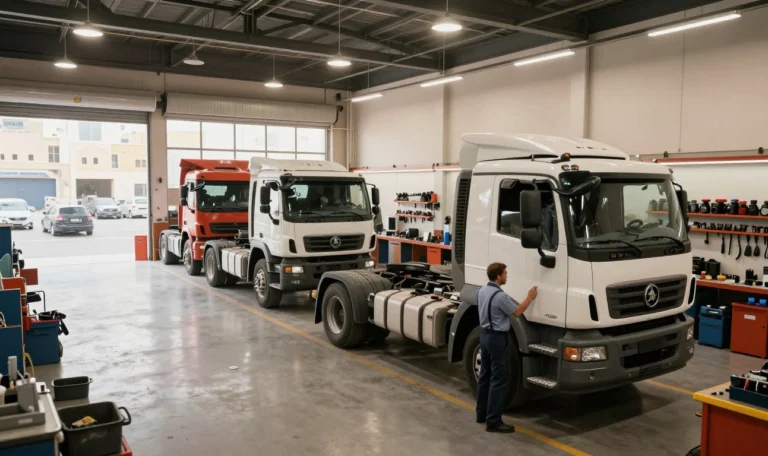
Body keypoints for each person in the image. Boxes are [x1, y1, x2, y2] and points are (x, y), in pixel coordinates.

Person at [475, 262, 537, 433]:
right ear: (498, 276)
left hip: (485, 336)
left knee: (485, 377)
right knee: (499, 380)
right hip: (497, 339)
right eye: (505, 273)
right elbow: (517, 312)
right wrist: (530, 297)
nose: (506, 275)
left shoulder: (482, 291)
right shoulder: (500, 297)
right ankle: (493, 421)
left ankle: (481, 414)